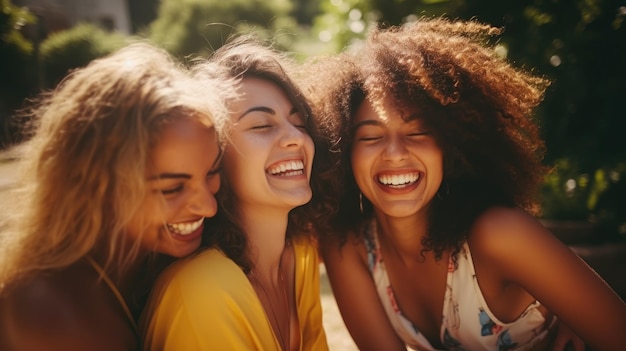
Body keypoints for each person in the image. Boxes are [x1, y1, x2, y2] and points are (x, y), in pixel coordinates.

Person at [298, 17, 626, 351]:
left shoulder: (499, 234)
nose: (395, 153)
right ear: (343, 151)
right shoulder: (349, 246)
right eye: (370, 136)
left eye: (418, 132)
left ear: (450, 146)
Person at [0, 42, 234, 351]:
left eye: (212, 172)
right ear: (96, 186)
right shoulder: (56, 318)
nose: (208, 206)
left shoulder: (143, 262)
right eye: (171, 189)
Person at [141, 36, 332, 351]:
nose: (295, 138)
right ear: (213, 156)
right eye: (261, 126)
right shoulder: (202, 289)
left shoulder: (300, 254)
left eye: (298, 122)